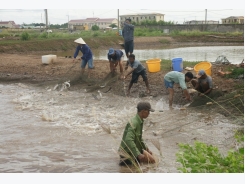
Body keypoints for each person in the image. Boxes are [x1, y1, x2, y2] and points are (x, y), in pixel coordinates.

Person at [118, 102, 155, 166]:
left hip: (134, 150)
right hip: (127, 153)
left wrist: (146, 148)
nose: (149, 114)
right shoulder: (134, 122)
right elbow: (128, 140)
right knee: (129, 170)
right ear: (143, 111)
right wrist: (138, 154)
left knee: (152, 161)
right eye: (148, 111)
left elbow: (139, 138)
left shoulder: (139, 121)